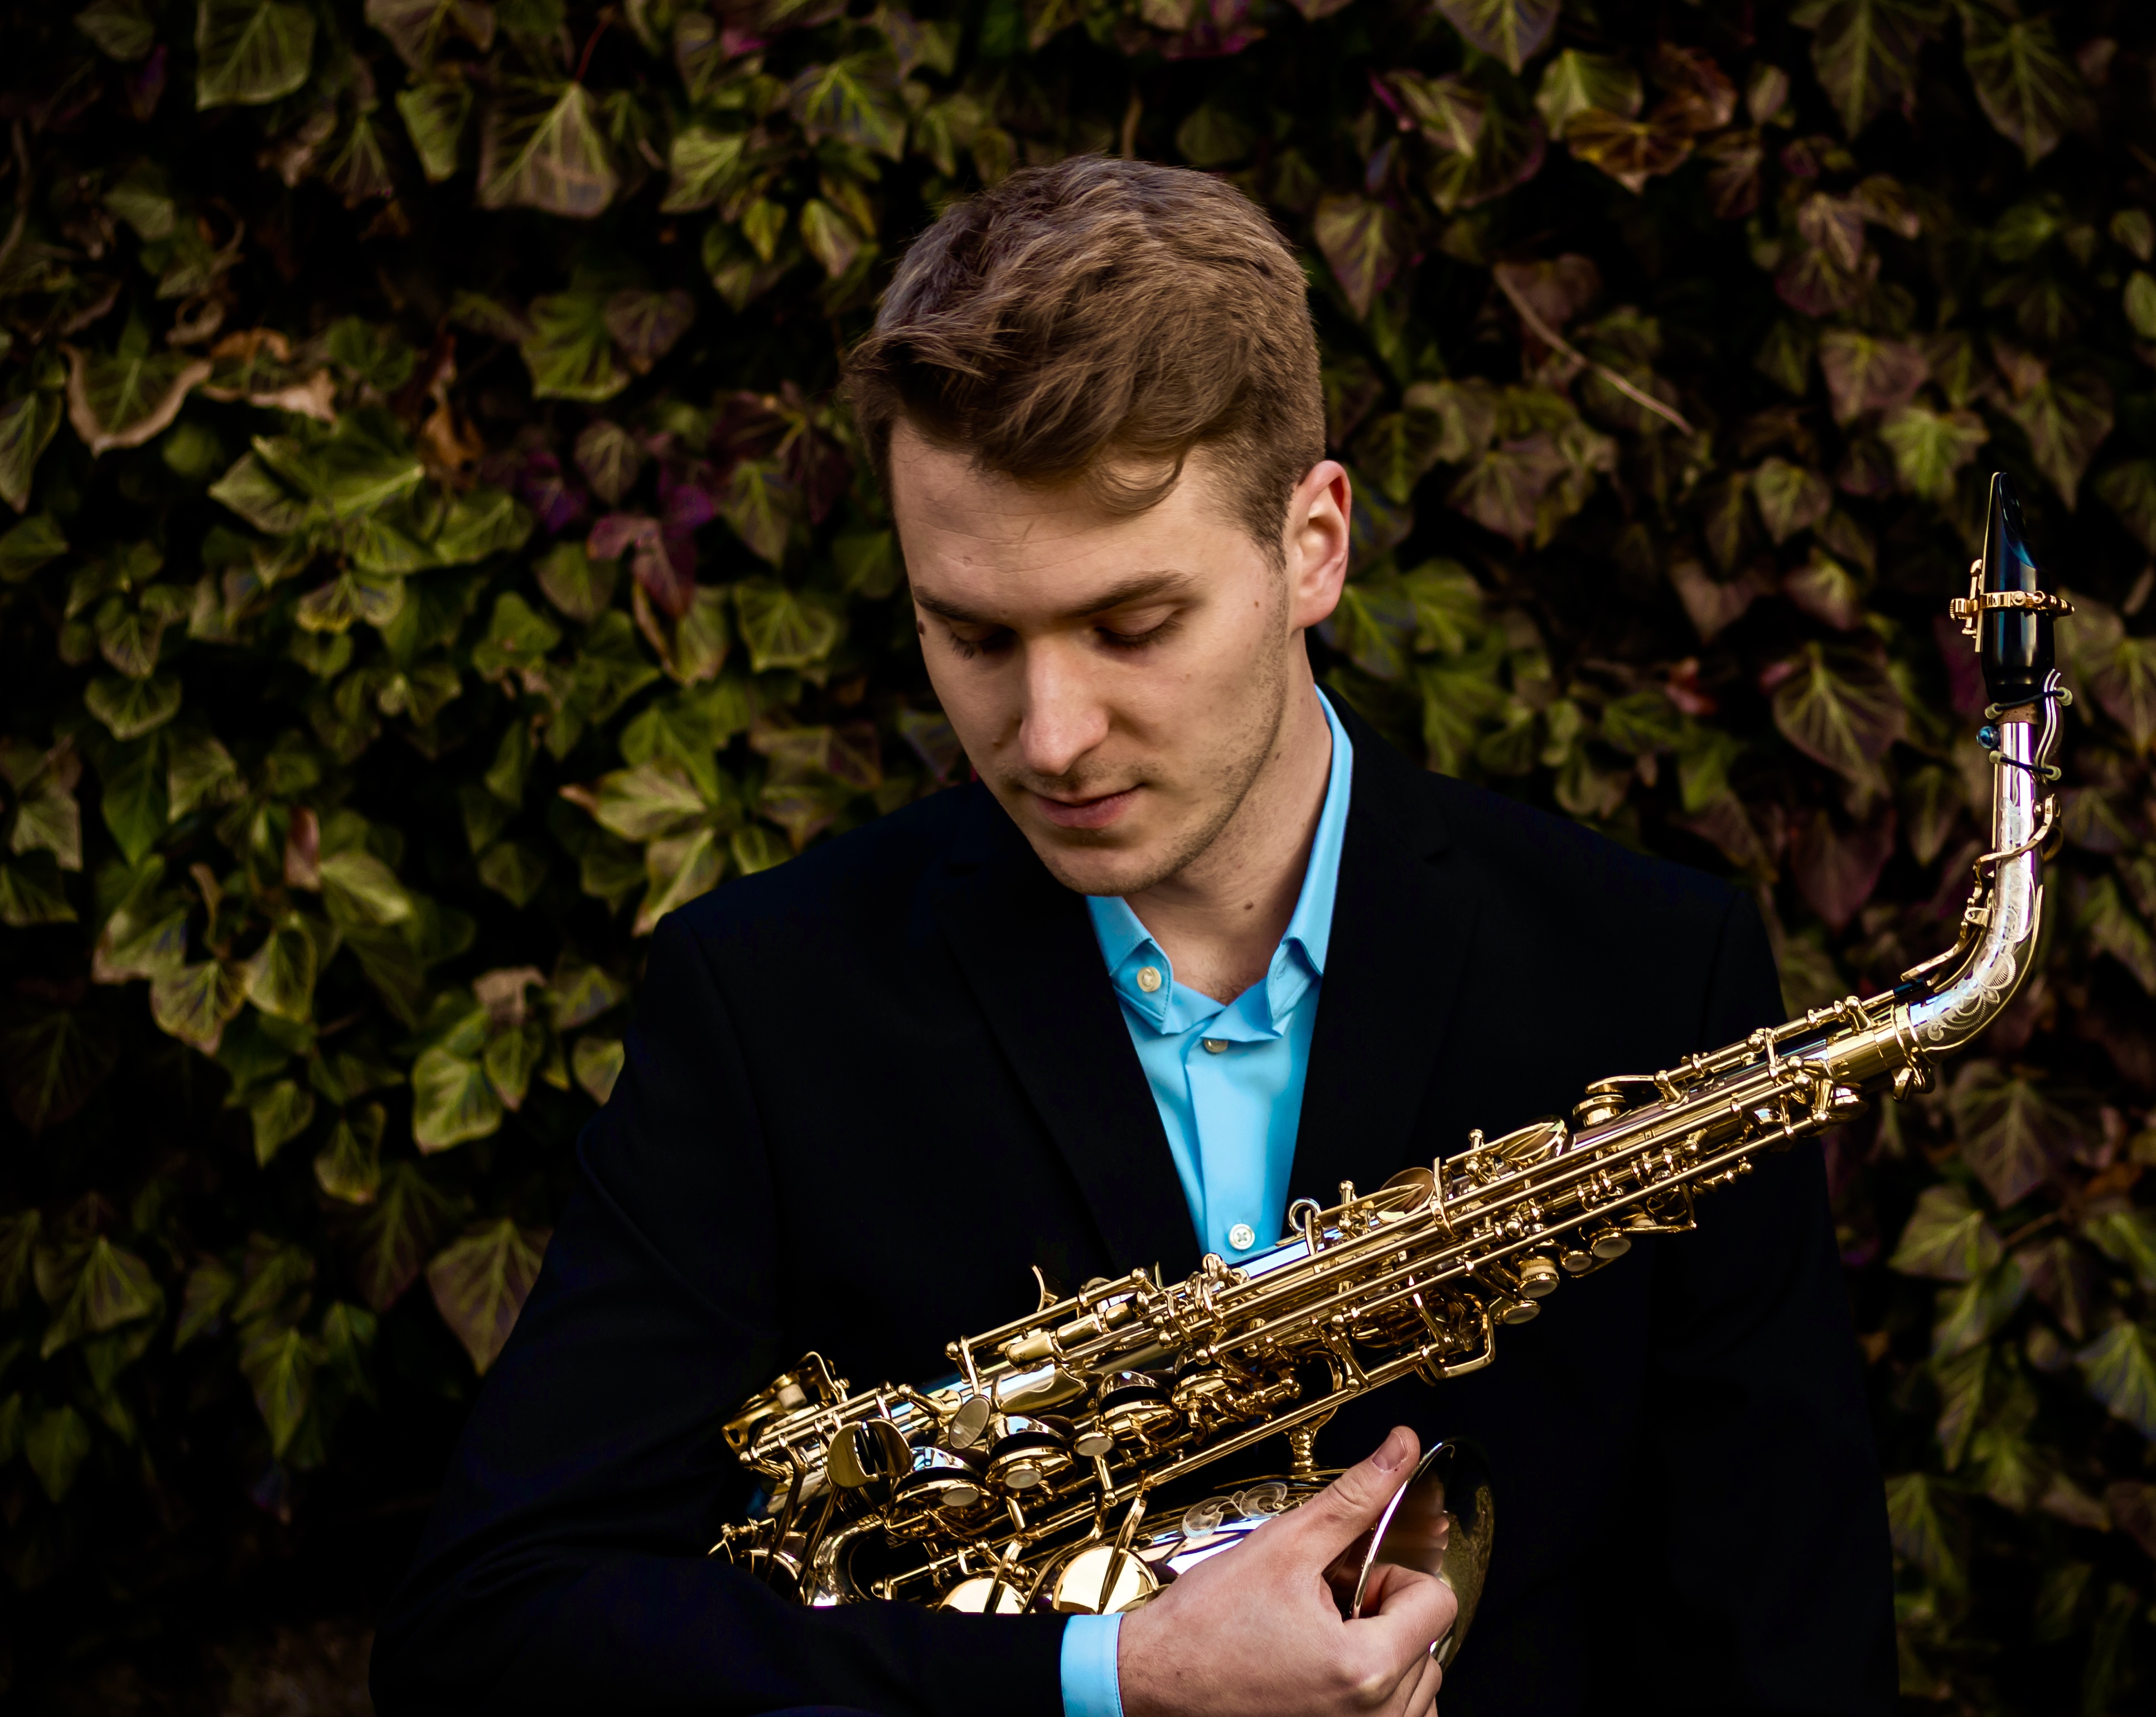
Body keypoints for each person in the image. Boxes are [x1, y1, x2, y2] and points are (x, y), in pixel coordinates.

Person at [371, 157, 1894, 1717]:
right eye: (972, 634)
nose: (1047, 735)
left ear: (1314, 543)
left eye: (1131, 625)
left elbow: (1785, 1648)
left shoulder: (1650, 973)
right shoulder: (769, 1003)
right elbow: (490, 1637)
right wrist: (1108, 1675)